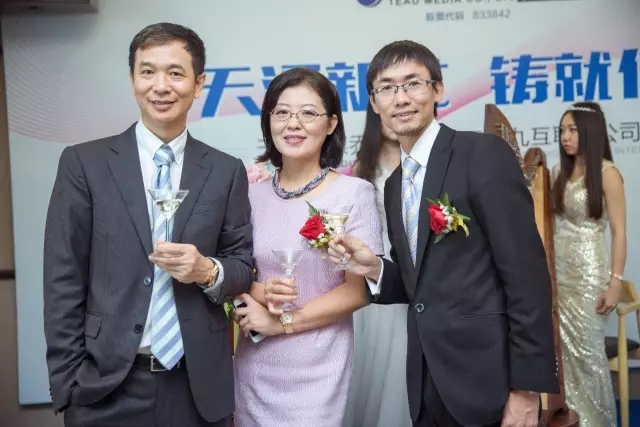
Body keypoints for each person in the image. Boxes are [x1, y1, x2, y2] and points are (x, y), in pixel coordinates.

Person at [327, 40, 559, 427]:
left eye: (412, 83)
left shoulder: (481, 154)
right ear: (374, 102)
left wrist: (526, 389)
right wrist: (373, 268)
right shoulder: (395, 184)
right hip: (425, 382)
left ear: (437, 89)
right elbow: (418, 286)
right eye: (387, 88)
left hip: (490, 381)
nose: (401, 98)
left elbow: (527, 277)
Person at [43, 23, 254, 427]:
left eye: (175, 73)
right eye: (148, 72)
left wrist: (206, 270)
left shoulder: (225, 171)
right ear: (132, 80)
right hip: (105, 387)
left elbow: (242, 266)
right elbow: (62, 276)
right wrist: (68, 384)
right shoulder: (84, 164)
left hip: (197, 387)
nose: (161, 86)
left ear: (198, 84)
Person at [231, 67, 384, 427]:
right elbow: (231, 274)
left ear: (331, 124)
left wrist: (282, 323)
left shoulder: (354, 194)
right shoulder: (247, 196)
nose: (293, 124)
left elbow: (358, 292)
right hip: (254, 366)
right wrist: (254, 296)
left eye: (308, 113)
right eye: (282, 112)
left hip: (319, 370)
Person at [551, 101, 626, 427]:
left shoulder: (608, 174)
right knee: (564, 357)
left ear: (590, 132)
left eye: (572, 130)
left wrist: (615, 282)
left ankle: (596, 422)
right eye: (562, 131)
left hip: (589, 275)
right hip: (559, 274)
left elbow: (619, 232)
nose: (565, 137)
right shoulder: (557, 172)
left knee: (588, 356)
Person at [343, 103, 412, 427]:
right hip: (374, 266)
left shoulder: (424, 164)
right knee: (373, 355)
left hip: (412, 264)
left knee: (404, 351)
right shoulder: (361, 168)